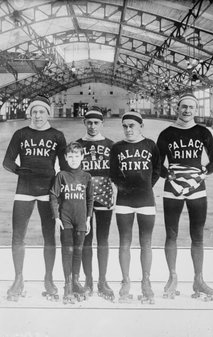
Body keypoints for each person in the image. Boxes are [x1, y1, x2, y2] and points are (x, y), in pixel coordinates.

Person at [3, 95, 67, 301]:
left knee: (49, 237)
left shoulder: (57, 135)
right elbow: (7, 161)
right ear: (30, 113)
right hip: (24, 189)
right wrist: (22, 172)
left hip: (48, 190)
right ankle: (18, 278)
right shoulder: (20, 133)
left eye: (42, 111)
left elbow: (65, 167)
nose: (38, 115)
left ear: (48, 113)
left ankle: (48, 278)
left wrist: (60, 187)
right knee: (17, 236)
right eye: (34, 111)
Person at [156, 92, 213, 299]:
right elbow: (157, 163)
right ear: (177, 108)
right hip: (172, 187)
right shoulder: (166, 133)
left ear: (195, 110)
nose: (187, 110)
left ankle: (198, 280)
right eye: (184, 107)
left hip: (197, 187)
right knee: (171, 234)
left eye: (191, 107)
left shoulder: (203, 132)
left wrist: (203, 173)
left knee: (197, 235)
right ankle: (172, 278)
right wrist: (169, 175)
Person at [110, 111, 161, 303]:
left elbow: (157, 169)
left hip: (146, 200)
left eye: (132, 125)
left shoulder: (150, 145)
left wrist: (147, 185)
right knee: (125, 242)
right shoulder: (117, 147)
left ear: (141, 127)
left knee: (146, 242)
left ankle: (146, 281)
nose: (128, 129)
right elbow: (113, 173)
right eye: (125, 126)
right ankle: (125, 281)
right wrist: (124, 188)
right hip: (124, 200)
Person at [77, 107, 115, 300]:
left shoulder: (111, 145)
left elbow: (118, 172)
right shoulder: (76, 144)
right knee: (86, 239)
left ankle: (102, 280)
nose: (92, 126)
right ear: (84, 123)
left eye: (96, 123)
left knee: (103, 239)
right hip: (83, 196)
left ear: (102, 123)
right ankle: (88, 280)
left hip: (105, 195)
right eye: (89, 122)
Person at [50, 142, 94, 303]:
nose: (74, 159)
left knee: (78, 251)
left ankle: (76, 281)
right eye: (71, 156)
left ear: (82, 157)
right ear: (66, 158)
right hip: (66, 220)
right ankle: (68, 285)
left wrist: (89, 219)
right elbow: (54, 196)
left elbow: (90, 199)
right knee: (67, 250)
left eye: (77, 156)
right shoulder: (61, 175)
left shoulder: (87, 176)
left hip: (82, 220)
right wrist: (56, 218)